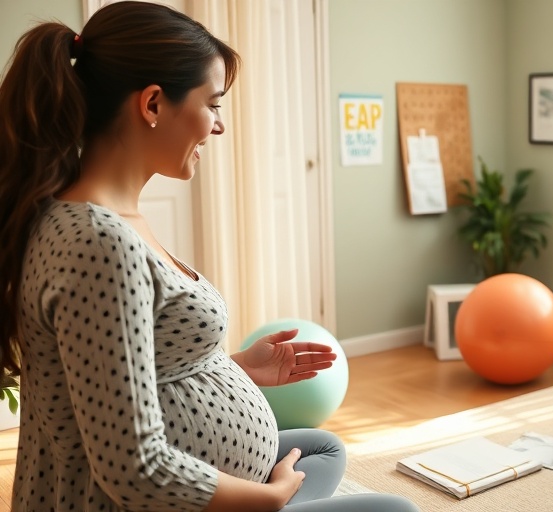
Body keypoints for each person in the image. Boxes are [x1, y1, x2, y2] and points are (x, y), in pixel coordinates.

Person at [0, 3, 419, 511]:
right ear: (153, 104)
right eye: (213, 104)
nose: (218, 127)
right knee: (397, 509)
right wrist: (269, 497)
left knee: (322, 449)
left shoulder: (102, 216)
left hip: (192, 464)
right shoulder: (97, 241)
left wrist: (237, 368)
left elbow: (120, 368)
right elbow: (135, 469)